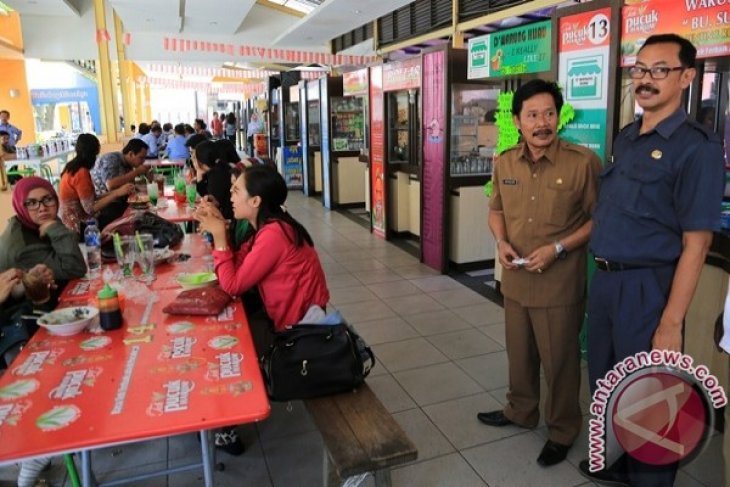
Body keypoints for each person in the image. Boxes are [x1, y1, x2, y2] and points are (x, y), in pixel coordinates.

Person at [580, 34, 725, 486]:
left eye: (660, 69)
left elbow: (696, 243)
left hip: (647, 289)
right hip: (604, 284)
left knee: (653, 398)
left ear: (685, 77)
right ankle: (625, 464)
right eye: (640, 69)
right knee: (609, 385)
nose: (645, 79)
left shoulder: (696, 148)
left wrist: (671, 322)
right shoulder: (627, 137)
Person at [478, 79, 601, 468]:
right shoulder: (506, 160)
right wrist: (500, 242)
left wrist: (559, 247)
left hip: (559, 285)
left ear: (558, 116)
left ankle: (563, 429)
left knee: (560, 362)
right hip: (515, 280)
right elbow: (496, 210)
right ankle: (521, 410)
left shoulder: (583, 163)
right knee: (520, 355)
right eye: (532, 115)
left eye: (549, 113)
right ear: (517, 120)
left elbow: (599, 221)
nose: (542, 122)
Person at [194, 165, 329, 338]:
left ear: (255, 201)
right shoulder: (265, 228)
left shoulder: (275, 234)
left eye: (236, 190)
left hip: (302, 331)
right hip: (283, 321)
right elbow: (237, 265)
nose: (230, 195)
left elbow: (232, 286)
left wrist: (219, 237)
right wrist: (221, 229)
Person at [0, 177, 86, 309]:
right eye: (32, 203)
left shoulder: (33, 220)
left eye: (48, 199)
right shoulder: (24, 246)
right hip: (28, 317)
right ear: (20, 205)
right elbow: (75, 269)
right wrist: (56, 229)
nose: (42, 208)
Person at [58, 134, 134, 235]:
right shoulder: (81, 173)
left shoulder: (71, 167)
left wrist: (117, 191)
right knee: (120, 215)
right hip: (78, 227)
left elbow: (91, 198)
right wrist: (117, 194)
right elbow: (90, 208)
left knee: (118, 209)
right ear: (92, 153)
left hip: (71, 220)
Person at [191, 140, 234, 221]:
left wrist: (198, 173)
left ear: (201, 159)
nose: (192, 159)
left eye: (194, 157)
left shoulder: (217, 174)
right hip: (225, 214)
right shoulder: (220, 166)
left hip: (225, 218)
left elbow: (208, 200)